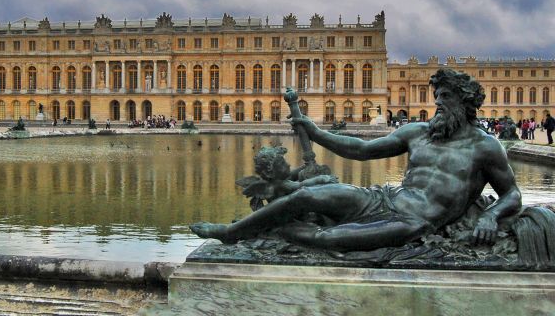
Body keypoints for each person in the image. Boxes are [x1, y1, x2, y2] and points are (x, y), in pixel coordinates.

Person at [191, 69, 522, 251]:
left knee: (329, 239)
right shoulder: (418, 132)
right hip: (385, 199)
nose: (437, 103)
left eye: (444, 97)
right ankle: (231, 232)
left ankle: (277, 233)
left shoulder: (485, 147)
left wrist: (490, 216)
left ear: (464, 102)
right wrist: (315, 131)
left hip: (416, 221)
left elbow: (513, 194)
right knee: (306, 195)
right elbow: (361, 150)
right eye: (436, 97)